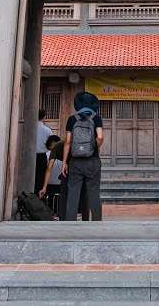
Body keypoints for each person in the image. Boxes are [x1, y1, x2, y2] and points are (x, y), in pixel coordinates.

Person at [62, 91, 103, 221]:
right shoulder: (96, 118)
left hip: (75, 161)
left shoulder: (72, 119)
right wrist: (94, 148)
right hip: (92, 161)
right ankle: (97, 222)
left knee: (73, 194)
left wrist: (64, 162)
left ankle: (70, 223)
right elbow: (100, 137)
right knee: (94, 193)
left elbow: (68, 141)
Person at [38, 134, 64, 216]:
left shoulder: (47, 155)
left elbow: (48, 169)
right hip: (60, 184)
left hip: (49, 185)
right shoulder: (63, 154)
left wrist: (44, 187)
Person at [34, 109, 53, 195]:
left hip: (30, 156)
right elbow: (52, 144)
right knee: (40, 178)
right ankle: (39, 195)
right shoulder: (47, 130)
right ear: (44, 117)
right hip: (42, 157)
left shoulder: (30, 128)